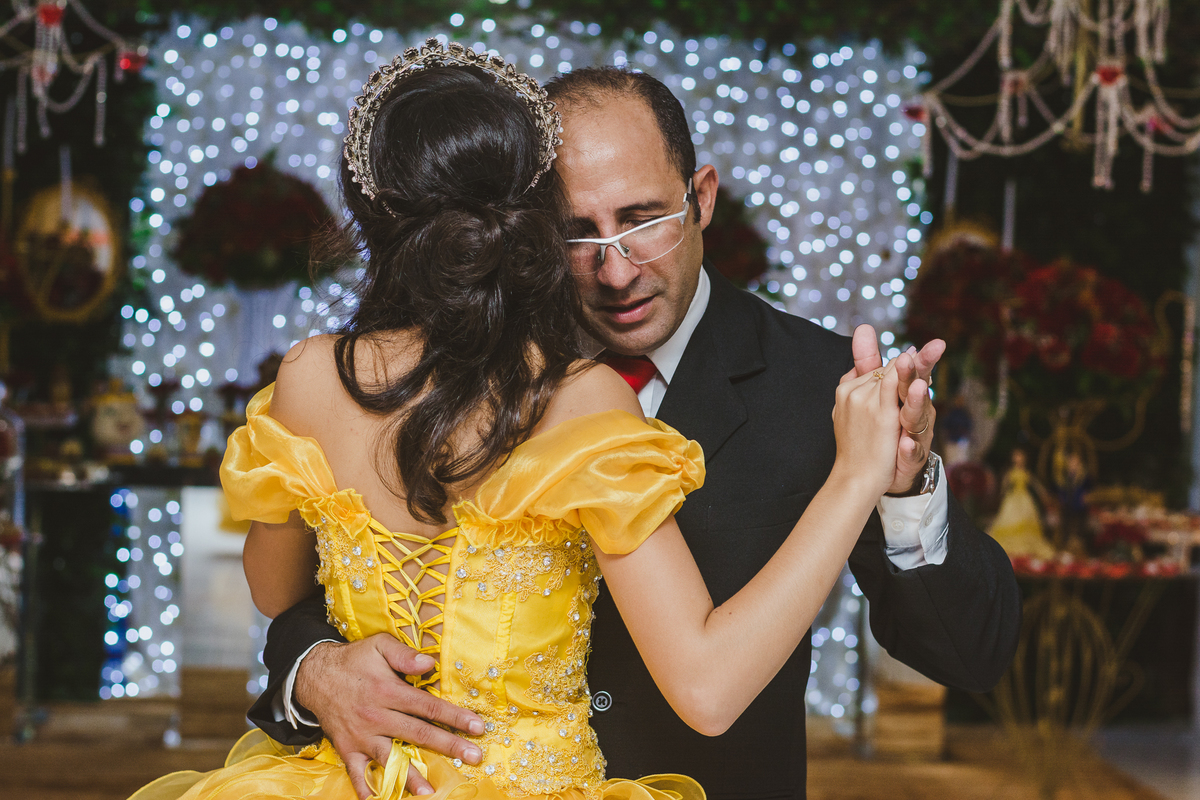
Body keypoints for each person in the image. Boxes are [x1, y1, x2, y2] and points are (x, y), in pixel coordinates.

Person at [127, 41, 928, 800]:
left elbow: (273, 586)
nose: (614, 267)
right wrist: (856, 476)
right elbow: (708, 687)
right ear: (532, 222)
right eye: (581, 228)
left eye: (642, 221)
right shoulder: (581, 400)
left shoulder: (307, 378)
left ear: (368, 213)